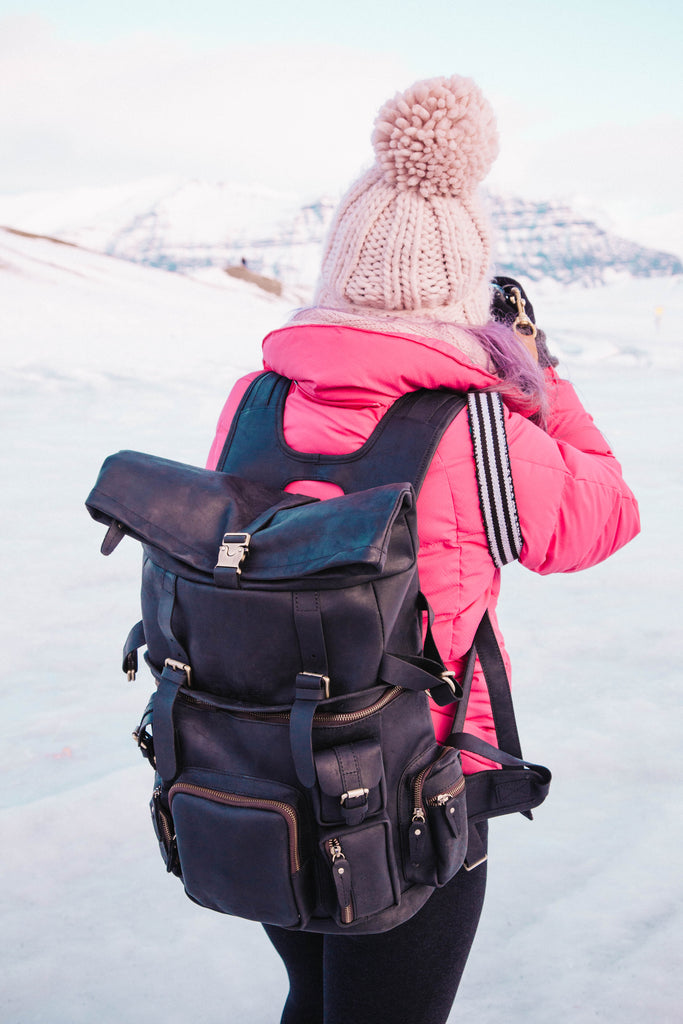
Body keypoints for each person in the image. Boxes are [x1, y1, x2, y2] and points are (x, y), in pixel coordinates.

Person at [206, 75, 640, 1024]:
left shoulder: (253, 400)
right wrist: (537, 370)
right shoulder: (474, 428)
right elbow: (603, 516)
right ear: (459, 290)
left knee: (315, 995)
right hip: (411, 790)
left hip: (253, 773)